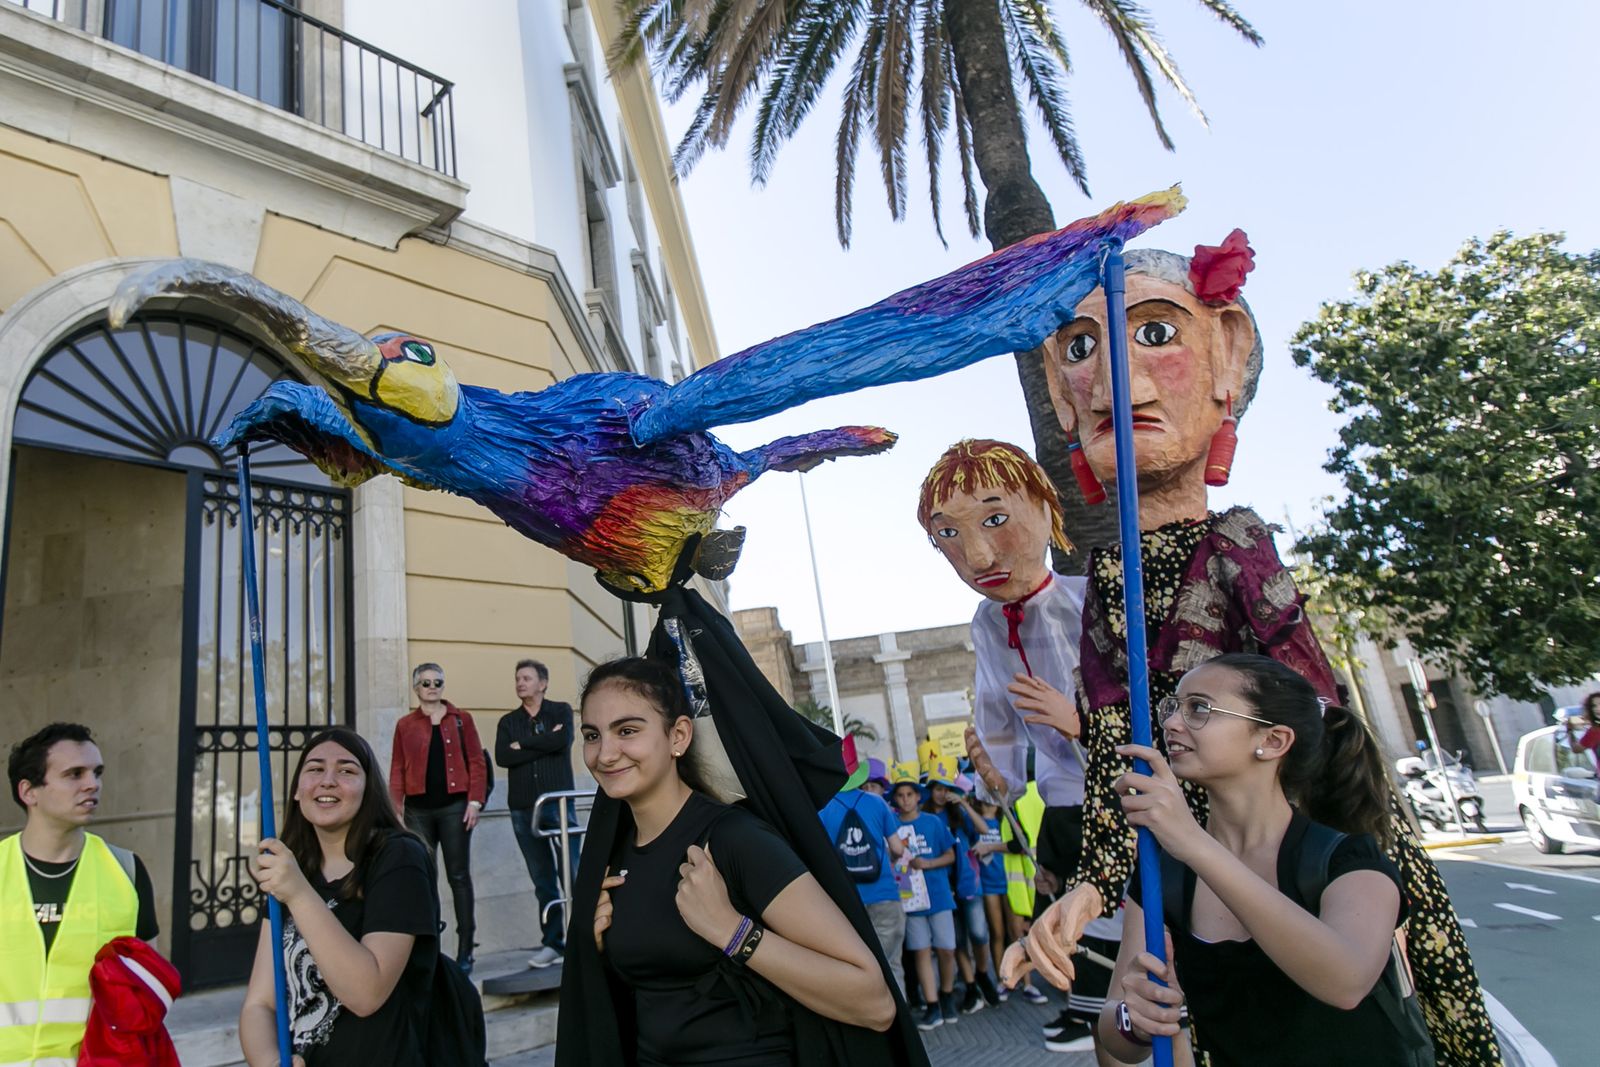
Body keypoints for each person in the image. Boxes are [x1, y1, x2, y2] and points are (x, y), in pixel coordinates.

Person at [1019, 232, 1498, 1065]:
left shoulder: (1236, 542)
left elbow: (1312, 710)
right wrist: (1095, 882)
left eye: (1156, 334)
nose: (1106, 379)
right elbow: (1112, 748)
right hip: (1181, 863)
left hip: (1284, 836)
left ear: (1227, 359)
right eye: (1080, 348)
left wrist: (1344, 862)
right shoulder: (1107, 574)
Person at [1055, 654, 1431, 1066]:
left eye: (1199, 708)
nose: (1172, 724)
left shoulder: (1348, 859)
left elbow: (1346, 981)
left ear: (1272, 741)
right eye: (1173, 707)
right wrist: (1136, 1017)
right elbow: (1117, 1035)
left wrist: (1193, 842)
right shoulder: (1165, 872)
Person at [581, 657, 895, 1065]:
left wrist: (734, 932)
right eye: (591, 735)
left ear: (678, 735)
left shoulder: (735, 841)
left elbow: (875, 1002)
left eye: (627, 730)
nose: (605, 754)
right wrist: (597, 949)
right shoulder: (611, 860)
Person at [918, 438, 1118, 1050]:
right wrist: (994, 773)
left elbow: (1154, 701)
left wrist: (1082, 723)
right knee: (1063, 904)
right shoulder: (986, 624)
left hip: (1120, 794)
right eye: (947, 535)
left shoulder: (1093, 599)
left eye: (996, 519)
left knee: (1120, 907)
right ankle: (1085, 1009)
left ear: (1041, 505)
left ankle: (1134, 1006)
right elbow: (996, 710)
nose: (977, 554)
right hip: (1062, 803)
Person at [241, 727, 439, 1067]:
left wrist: (299, 893)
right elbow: (259, 1004)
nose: (328, 780)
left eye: (347, 771)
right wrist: (270, 1062)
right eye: (315, 769)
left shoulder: (398, 858)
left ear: (368, 789)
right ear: (297, 792)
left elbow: (367, 994)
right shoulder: (294, 868)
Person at [2, 723, 161, 1065]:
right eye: (74, 774)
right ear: (29, 791)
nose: (93, 784)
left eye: (97, 772)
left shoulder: (126, 871)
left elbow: (147, 994)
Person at [389, 662, 486, 972]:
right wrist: (396, 809)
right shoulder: (405, 725)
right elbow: (397, 767)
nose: (432, 687)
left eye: (437, 682)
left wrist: (475, 801)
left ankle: (466, 949)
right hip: (418, 811)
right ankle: (429, 947)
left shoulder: (462, 719)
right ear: (416, 688)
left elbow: (476, 761)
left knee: (458, 876)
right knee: (424, 878)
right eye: (426, 683)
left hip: (454, 808)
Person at [496, 657, 582, 969]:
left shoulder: (559, 711)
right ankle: (554, 943)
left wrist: (525, 745)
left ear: (543, 684)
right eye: (518, 678)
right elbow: (503, 756)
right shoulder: (508, 722)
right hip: (523, 808)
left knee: (574, 873)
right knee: (542, 879)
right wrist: (539, 743)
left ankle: (586, 936)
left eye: (527, 678)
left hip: (558, 802)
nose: (520, 683)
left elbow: (562, 742)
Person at [820, 758, 908, 996]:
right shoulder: (877, 803)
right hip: (883, 895)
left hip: (846, 900)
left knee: (857, 968)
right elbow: (898, 849)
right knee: (891, 964)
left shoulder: (823, 808)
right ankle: (902, 1025)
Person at [890, 769, 959, 1031]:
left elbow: (951, 855)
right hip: (910, 898)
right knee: (920, 951)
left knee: (946, 949)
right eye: (900, 795)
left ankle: (947, 994)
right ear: (895, 799)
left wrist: (926, 863)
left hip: (939, 895)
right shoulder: (893, 826)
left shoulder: (932, 822)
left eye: (909, 794)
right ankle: (932, 1005)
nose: (905, 800)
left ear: (918, 797)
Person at [936, 774, 1002, 1015]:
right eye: (936, 789)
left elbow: (984, 829)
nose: (941, 794)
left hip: (971, 886)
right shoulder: (930, 817)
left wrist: (963, 803)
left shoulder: (960, 815)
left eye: (945, 789)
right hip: (945, 888)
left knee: (979, 934)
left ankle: (983, 973)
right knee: (958, 941)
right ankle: (972, 985)